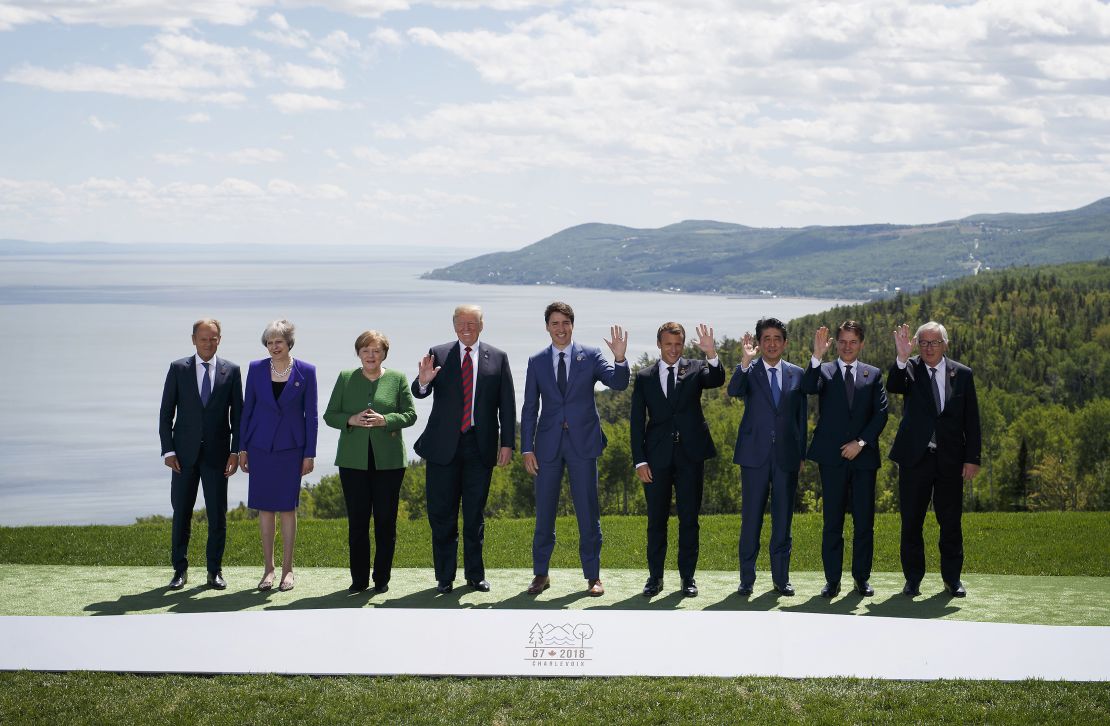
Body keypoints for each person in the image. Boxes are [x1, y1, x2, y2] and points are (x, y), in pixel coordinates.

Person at [521, 301, 629, 596]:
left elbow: (618, 383)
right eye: (554, 323)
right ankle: (540, 574)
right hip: (547, 447)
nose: (560, 328)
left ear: (572, 325)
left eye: (565, 323)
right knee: (544, 514)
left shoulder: (591, 355)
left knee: (587, 512)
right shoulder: (536, 361)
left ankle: (593, 577)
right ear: (547, 327)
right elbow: (530, 407)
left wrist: (619, 358)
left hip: (583, 444)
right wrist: (526, 449)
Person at [412, 305, 515, 594]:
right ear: (454, 326)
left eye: (472, 323)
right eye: (461, 323)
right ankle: (444, 577)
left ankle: (475, 575)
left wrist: (507, 443)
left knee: (474, 516)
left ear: (481, 325)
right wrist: (423, 381)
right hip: (442, 448)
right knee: (441, 515)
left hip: (479, 448)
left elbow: (506, 404)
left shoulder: (498, 357)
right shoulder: (439, 353)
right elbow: (419, 390)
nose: (466, 328)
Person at [630, 322, 724, 598]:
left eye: (678, 344)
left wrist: (711, 352)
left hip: (691, 456)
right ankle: (655, 578)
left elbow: (717, 378)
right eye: (668, 344)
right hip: (656, 458)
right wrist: (639, 460)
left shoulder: (695, 368)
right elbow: (637, 422)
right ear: (659, 344)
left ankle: (687, 578)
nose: (673, 349)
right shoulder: (645, 376)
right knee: (656, 520)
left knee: (689, 519)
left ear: (683, 345)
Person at [888, 321, 981, 598]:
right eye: (924, 342)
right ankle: (912, 579)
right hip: (915, 459)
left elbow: (971, 420)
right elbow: (893, 384)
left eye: (935, 342)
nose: (929, 348)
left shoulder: (962, 374)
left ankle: (952, 579)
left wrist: (972, 458)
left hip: (951, 461)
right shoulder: (911, 369)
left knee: (951, 522)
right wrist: (902, 357)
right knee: (911, 522)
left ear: (945, 345)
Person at [324, 330, 416, 594]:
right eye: (366, 351)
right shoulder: (345, 378)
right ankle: (359, 580)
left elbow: (410, 414)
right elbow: (330, 415)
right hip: (353, 462)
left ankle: (381, 579)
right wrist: (350, 420)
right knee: (358, 522)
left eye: (376, 350)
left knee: (386, 522)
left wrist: (386, 420)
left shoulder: (397, 378)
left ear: (384, 353)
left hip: (389, 463)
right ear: (359, 354)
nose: (371, 355)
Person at [803, 321, 889, 598]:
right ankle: (833, 580)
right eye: (842, 341)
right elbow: (807, 387)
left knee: (864, 523)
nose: (847, 347)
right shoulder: (825, 371)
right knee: (832, 523)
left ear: (861, 343)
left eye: (853, 342)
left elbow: (881, 414)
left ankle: (861, 579)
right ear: (836, 343)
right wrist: (816, 355)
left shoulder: (873, 374)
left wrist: (860, 443)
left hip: (863, 459)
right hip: (832, 460)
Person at [158, 318, 243, 590]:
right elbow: (165, 413)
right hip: (182, 456)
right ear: (193, 339)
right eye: (203, 338)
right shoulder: (177, 369)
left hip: (219, 456)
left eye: (213, 338)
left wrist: (235, 452)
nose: (208, 343)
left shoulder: (232, 371)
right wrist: (168, 450)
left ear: (220, 339)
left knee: (218, 516)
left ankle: (214, 571)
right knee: (181, 513)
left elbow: (239, 416)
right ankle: (179, 572)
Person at [728, 317, 807, 597]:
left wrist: (802, 453)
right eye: (766, 339)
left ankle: (781, 579)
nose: (772, 344)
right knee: (751, 520)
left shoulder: (797, 373)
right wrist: (745, 361)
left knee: (783, 521)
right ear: (759, 344)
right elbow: (733, 390)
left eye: (777, 339)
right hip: (754, 457)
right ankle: (746, 579)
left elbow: (802, 417)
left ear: (785, 343)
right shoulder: (749, 372)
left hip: (786, 457)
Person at [238, 319, 318, 593]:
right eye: (270, 342)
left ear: (289, 343)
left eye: (278, 342)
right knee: (265, 508)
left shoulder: (307, 371)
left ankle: (288, 570)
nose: (274, 346)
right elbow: (247, 409)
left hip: (291, 449)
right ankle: (268, 570)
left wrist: (309, 453)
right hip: (260, 447)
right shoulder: (256, 369)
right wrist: (242, 448)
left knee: (287, 508)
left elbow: (312, 417)